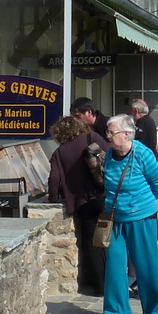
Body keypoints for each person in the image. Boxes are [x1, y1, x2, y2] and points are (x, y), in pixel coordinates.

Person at [97, 114, 158, 314]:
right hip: (115, 218)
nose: (108, 136)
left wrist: (143, 204)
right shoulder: (110, 154)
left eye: (112, 132)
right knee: (115, 265)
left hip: (141, 217)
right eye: (107, 132)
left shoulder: (142, 154)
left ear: (127, 134)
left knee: (147, 264)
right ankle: (114, 312)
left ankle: (156, 311)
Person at [47, 115, 108, 296]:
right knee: (111, 240)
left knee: (91, 244)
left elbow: (54, 179)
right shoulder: (93, 138)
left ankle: (97, 285)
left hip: (82, 202)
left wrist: (52, 199)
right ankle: (116, 282)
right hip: (104, 195)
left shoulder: (59, 153)